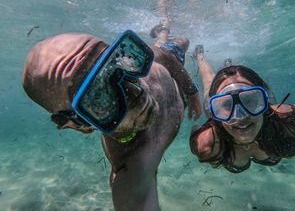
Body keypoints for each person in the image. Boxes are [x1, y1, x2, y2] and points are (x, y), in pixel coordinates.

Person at [22, 30, 196, 211]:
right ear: (78, 125)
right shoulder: (131, 167)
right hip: (178, 92)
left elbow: (165, 56)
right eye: (97, 95)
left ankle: (162, 31)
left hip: (175, 72)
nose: (131, 91)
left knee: (181, 42)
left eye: (115, 62)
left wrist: (192, 92)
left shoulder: (148, 64)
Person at [189, 45, 295, 173]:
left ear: (264, 101)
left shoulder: (291, 121)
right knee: (209, 85)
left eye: (249, 100)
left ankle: (227, 69)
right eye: (227, 105)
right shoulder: (207, 144)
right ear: (216, 109)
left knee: (213, 89)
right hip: (219, 121)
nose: (240, 116)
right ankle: (200, 57)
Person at [149, 24, 202, 120]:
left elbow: (161, 55)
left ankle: (163, 28)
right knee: (182, 42)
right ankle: (163, 30)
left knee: (184, 41)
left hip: (169, 54)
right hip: (170, 60)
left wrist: (192, 92)